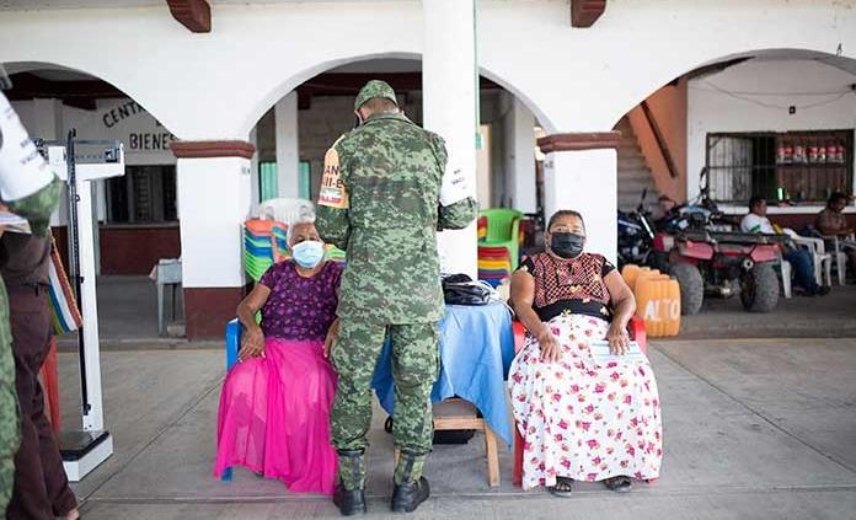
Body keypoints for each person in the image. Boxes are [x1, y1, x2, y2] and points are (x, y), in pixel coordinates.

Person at [316, 80, 477, 515]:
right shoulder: (433, 145)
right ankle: (407, 488)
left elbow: (329, 229)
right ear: (397, 109)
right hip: (418, 294)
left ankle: (352, 492)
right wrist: (420, 220)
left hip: (364, 294)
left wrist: (367, 236)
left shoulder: (342, 149)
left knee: (351, 386)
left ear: (361, 113)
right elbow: (462, 213)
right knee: (414, 389)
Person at [508, 210, 663, 496]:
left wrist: (618, 325)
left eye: (576, 229)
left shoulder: (599, 263)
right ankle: (561, 466)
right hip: (554, 334)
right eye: (562, 228)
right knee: (549, 380)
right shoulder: (531, 266)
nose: (570, 233)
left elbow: (626, 298)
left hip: (601, 335)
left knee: (632, 378)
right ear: (548, 236)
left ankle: (615, 462)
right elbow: (522, 305)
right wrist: (543, 336)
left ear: (585, 237)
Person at [212, 220, 343, 495]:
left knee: (314, 385)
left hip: (315, 348)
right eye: (299, 239)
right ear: (289, 246)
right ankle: (265, 452)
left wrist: (336, 324)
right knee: (241, 381)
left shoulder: (335, 273)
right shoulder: (277, 272)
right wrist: (253, 328)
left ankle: (296, 458)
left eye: (313, 237)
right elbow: (246, 306)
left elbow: (349, 307)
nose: (307, 242)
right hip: (271, 346)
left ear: (324, 244)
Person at [0, 87, 79, 519]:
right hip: (30, 307)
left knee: (14, 429)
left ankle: (35, 511)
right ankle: (61, 502)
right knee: (31, 412)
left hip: (12, 309)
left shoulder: (12, 188)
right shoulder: (27, 185)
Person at [741, 196, 829, 296]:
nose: (766, 209)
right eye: (764, 206)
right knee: (802, 257)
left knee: (807, 255)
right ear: (755, 207)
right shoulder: (749, 219)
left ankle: (798, 284)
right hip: (767, 250)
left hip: (778, 246)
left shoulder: (763, 219)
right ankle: (812, 287)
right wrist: (782, 247)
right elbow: (762, 236)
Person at [815, 191, 856, 277]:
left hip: (841, 241)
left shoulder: (841, 215)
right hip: (828, 242)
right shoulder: (824, 214)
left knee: (852, 248)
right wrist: (842, 232)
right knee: (853, 252)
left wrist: (847, 231)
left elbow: (845, 228)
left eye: (844, 205)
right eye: (840, 204)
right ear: (832, 204)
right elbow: (824, 231)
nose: (842, 207)